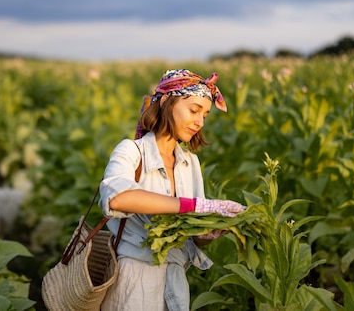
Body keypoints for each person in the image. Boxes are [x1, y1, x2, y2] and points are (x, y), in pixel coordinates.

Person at [99, 69, 246, 311]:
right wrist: (193, 206)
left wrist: (209, 230)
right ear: (167, 101)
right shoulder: (131, 151)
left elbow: (189, 234)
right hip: (134, 283)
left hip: (175, 287)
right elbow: (117, 198)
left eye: (206, 115)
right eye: (194, 110)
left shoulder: (190, 162)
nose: (199, 122)